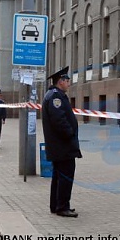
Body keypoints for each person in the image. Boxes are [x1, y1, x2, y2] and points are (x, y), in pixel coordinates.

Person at [42, 66, 82, 218]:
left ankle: (57, 205)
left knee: (59, 176)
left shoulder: (54, 95)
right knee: (65, 176)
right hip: (62, 145)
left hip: (60, 145)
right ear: (60, 81)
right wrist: (70, 134)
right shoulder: (55, 97)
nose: (69, 83)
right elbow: (59, 120)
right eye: (67, 80)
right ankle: (62, 206)